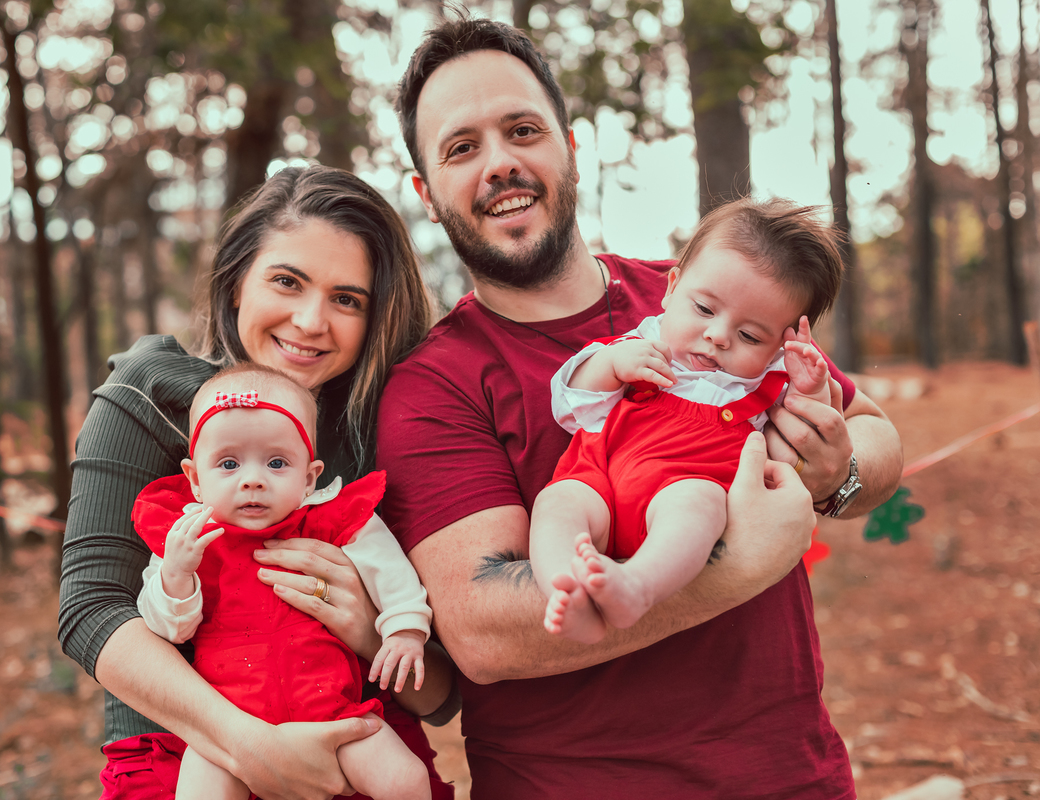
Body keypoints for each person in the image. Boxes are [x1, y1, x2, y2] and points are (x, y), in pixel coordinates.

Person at [377, 14, 903, 799]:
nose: (500, 164)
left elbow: (876, 438)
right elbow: (484, 632)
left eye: (523, 130)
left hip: (787, 776)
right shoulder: (434, 385)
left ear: (570, 145)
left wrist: (839, 474)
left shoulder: (707, 299)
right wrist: (740, 566)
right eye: (461, 148)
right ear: (427, 192)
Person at [58, 165, 457, 800]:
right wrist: (252, 748)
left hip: (356, 740)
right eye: (286, 281)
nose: (309, 320)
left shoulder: (391, 422)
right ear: (237, 282)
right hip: (181, 745)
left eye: (346, 299)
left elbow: (440, 692)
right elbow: (90, 612)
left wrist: (364, 626)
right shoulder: (150, 391)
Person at [533, 198, 840, 643]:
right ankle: (567, 589)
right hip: (598, 477)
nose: (717, 336)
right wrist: (611, 365)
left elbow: (806, 435)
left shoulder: (767, 380)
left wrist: (810, 388)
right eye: (704, 310)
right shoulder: (642, 346)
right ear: (672, 287)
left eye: (750, 335)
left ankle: (637, 585)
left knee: (701, 506)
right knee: (557, 505)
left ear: (779, 346)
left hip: (683, 486)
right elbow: (569, 404)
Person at [133, 364, 431, 800]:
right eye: (228, 463)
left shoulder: (333, 521)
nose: (252, 479)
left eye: (276, 463)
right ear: (195, 479)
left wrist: (404, 629)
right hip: (230, 727)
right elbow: (170, 630)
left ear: (309, 478)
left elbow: (391, 573)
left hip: (333, 714)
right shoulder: (187, 539)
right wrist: (175, 575)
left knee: (406, 780)